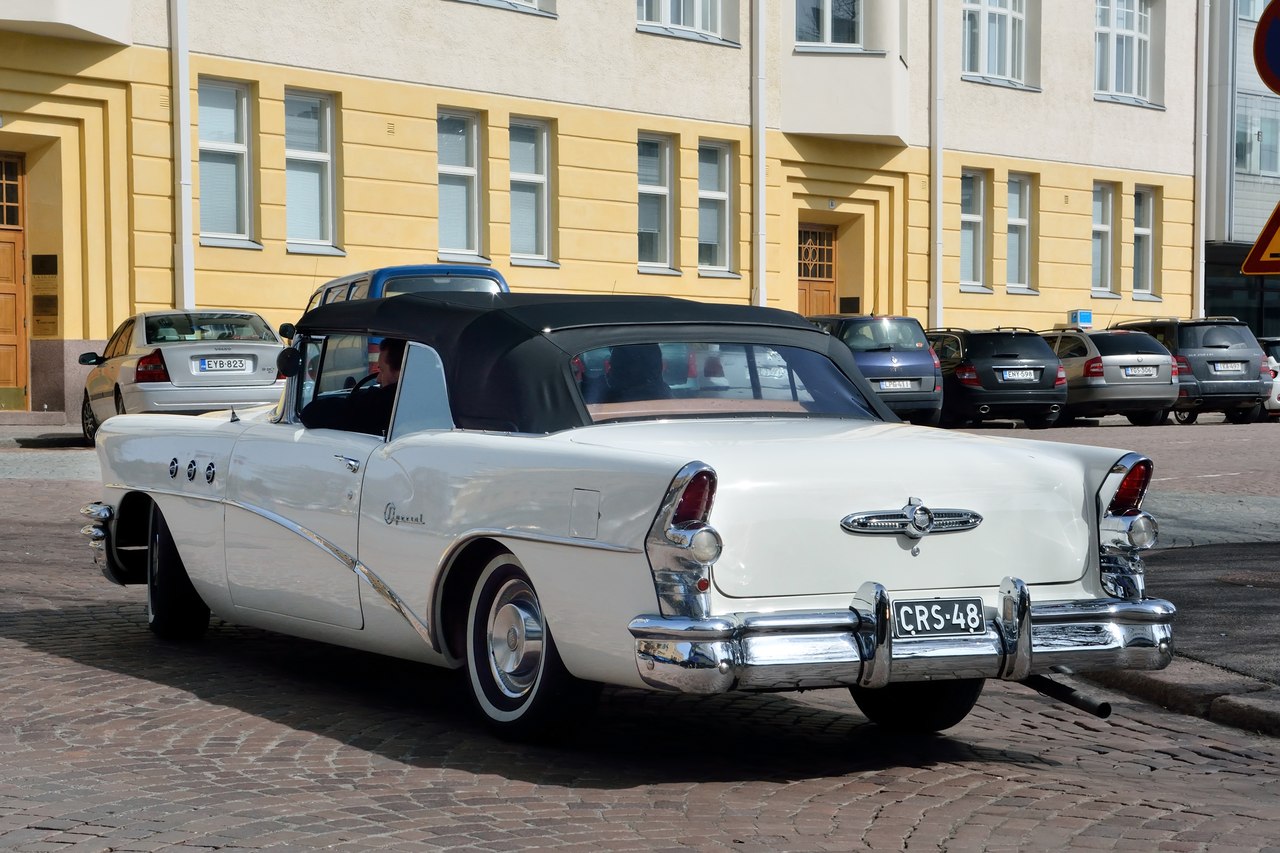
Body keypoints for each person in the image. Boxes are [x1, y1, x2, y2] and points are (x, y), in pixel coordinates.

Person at [347, 337, 405, 436]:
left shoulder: (383, 402)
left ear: (401, 372)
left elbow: (314, 412)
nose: (378, 379)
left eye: (382, 370)